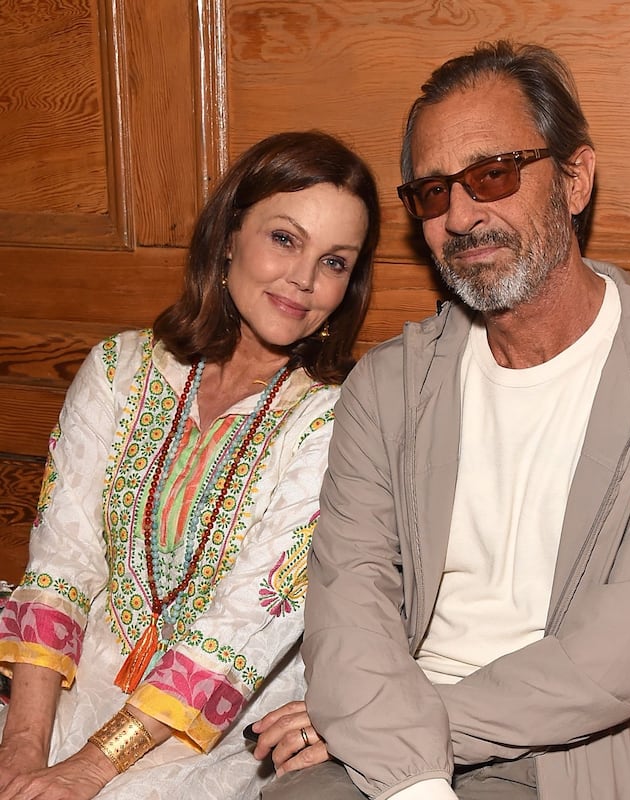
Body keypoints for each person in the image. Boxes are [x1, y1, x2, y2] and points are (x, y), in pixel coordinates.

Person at [252, 41, 630, 800]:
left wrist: (386, 727)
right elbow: (347, 598)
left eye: (493, 174)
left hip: (572, 752)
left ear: (574, 178)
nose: (461, 215)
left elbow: (616, 665)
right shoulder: (388, 385)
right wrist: (397, 751)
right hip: (390, 722)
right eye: (431, 192)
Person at [0, 129, 380, 800]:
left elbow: (240, 632)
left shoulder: (336, 421)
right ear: (230, 235)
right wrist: (23, 752)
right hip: (66, 689)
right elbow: (62, 565)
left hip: (218, 728)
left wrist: (86, 771)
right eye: (285, 239)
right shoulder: (118, 369)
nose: (304, 278)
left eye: (335, 262)